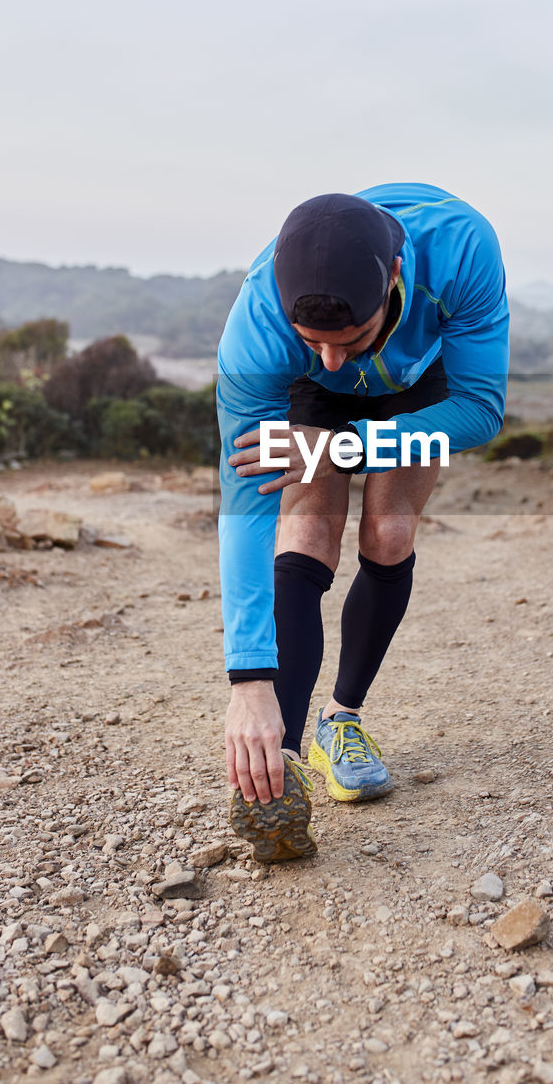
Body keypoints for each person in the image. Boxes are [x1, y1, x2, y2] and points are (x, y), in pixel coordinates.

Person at [216, 182, 509, 861]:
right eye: (312, 340)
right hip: (312, 401)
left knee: (389, 531)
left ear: (395, 280)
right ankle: (281, 753)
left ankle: (339, 722)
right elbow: (245, 509)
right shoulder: (260, 335)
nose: (332, 357)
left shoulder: (461, 248)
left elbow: (479, 409)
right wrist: (248, 681)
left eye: (348, 340)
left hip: (424, 381)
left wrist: (342, 445)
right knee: (307, 529)